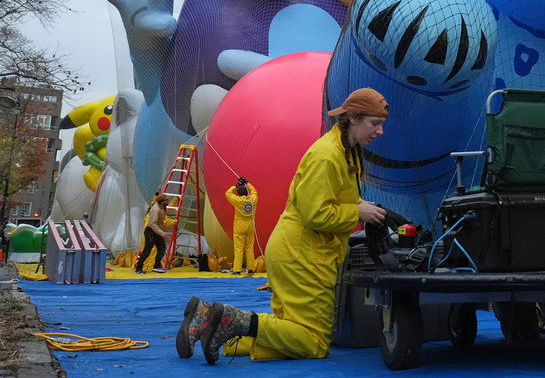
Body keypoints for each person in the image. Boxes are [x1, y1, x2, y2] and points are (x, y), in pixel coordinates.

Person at [175, 88, 390, 364]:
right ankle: (233, 322)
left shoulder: (348, 152)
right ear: (353, 118)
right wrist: (357, 212)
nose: (380, 131)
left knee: (287, 328)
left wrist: (363, 208)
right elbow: (316, 213)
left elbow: (336, 198)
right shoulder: (327, 156)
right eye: (374, 123)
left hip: (303, 254)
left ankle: (207, 321)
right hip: (301, 258)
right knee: (314, 341)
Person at [225, 177, 258, 274]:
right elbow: (254, 191)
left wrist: (236, 185)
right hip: (250, 224)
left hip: (240, 225)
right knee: (249, 247)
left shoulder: (237, 201)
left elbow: (228, 193)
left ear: (238, 193)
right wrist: (247, 183)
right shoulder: (253, 200)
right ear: (247, 193)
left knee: (239, 248)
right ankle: (250, 268)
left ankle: (237, 269)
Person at [135, 193, 173, 274]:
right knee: (147, 251)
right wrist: (161, 233)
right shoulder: (156, 210)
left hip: (155, 231)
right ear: (162, 201)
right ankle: (138, 268)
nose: (168, 201)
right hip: (151, 232)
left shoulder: (162, 207)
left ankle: (156, 266)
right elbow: (152, 224)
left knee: (162, 248)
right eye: (166, 200)